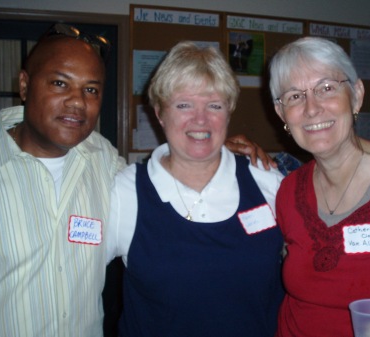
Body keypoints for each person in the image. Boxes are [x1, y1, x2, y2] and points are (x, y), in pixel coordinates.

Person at [0, 23, 274, 337]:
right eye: (60, 83)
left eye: (90, 89)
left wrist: (207, 150)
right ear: (24, 85)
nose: (77, 101)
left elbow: (179, 166)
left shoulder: (104, 163)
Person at [107, 41, 285, 337]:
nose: (200, 119)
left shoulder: (268, 182)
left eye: (214, 105)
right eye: (184, 104)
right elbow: (74, 281)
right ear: (160, 113)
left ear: (228, 112)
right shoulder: (124, 193)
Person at [269, 36, 370, 337]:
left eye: (326, 88)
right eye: (295, 96)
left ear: (357, 95)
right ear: (281, 113)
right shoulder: (287, 190)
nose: (312, 109)